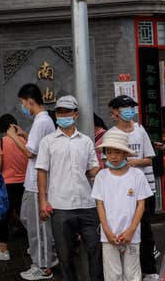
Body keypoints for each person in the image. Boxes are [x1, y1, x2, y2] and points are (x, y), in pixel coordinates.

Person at [36, 95, 102, 281]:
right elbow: (42, 172)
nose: (63, 115)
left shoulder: (86, 141)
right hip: (60, 206)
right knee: (65, 256)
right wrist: (43, 200)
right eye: (60, 112)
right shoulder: (47, 142)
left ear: (76, 114)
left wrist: (112, 162)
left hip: (87, 204)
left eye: (67, 112)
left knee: (95, 250)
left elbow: (92, 170)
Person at [108, 95, 159, 280]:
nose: (129, 110)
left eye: (131, 106)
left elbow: (149, 159)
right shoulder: (111, 134)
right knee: (125, 227)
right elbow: (109, 163)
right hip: (122, 190)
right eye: (124, 107)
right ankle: (127, 270)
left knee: (144, 229)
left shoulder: (140, 130)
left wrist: (134, 162)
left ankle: (150, 271)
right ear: (114, 111)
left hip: (144, 187)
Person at [91, 130, 153, 281]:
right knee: (113, 275)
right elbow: (100, 205)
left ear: (125, 154)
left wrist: (131, 230)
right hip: (109, 235)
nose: (113, 156)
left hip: (132, 234)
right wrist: (107, 231)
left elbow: (141, 204)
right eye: (109, 152)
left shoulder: (137, 175)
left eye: (118, 152)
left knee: (132, 274)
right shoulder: (101, 176)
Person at [13, 84, 57, 280]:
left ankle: (43, 266)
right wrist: (24, 135)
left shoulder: (41, 121)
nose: (23, 107)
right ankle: (47, 255)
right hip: (32, 180)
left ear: (30, 101)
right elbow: (37, 146)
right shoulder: (42, 121)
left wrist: (14, 138)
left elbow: (31, 152)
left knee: (37, 227)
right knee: (27, 218)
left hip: (37, 182)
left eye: (23, 103)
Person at [0, 114, 28, 262]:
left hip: (7, 185)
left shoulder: (0, 142)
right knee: (26, 216)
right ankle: (33, 246)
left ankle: (3, 250)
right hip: (25, 184)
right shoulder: (24, 141)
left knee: (2, 217)